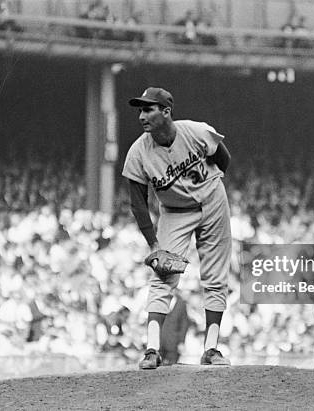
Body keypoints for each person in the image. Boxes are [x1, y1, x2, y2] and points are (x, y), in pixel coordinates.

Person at [122, 87, 232, 369]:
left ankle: (211, 349)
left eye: (149, 109)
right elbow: (138, 203)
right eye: (140, 110)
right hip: (174, 212)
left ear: (166, 111)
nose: (142, 116)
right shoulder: (138, 152)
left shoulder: (196, 131)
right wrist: (153, 245)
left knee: (215, 277)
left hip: (213, 201)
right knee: (163, 276)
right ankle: (151, 349)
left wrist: (207, 182)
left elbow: (224, 160)